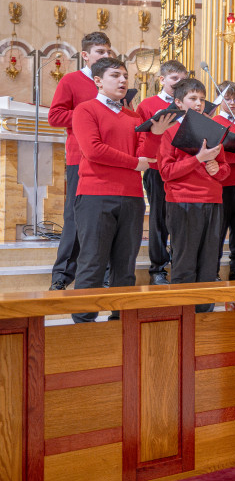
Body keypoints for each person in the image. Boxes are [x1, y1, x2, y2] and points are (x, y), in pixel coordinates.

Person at [71, 57, 175, 322]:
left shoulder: (133, 116)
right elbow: (93, 151)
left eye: (125, 76)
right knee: (92, 263)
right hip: (96, 196)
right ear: (98, 81)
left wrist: (156, 134)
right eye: (115, 76)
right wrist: (133, 163)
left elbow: (146, 157)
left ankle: (121, 323)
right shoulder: (85, 110)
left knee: (125, 267)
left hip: (131, 198)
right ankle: (83, 326)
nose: (122, 81)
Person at [48, 31, 114, 291]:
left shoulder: (113, 82)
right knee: (75, 216)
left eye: (109, 51)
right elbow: (55, 116)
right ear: (85, 55)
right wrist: (88, 114)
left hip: (110, 157)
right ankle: (62, 275)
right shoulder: (71, 80)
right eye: (100, 52)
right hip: (81, 157)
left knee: (108, 216)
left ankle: (108, 273)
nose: (106, 56)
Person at [158, 78, 229, 312]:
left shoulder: (213, 129)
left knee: (209, 264)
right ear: (179, 102)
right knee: (185, 262)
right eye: (192, 99)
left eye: (201, 99)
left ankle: (204, 319)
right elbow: (166, 172)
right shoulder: (170, 132)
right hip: (184, 202)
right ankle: (183, 316)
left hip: (213, 201)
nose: (199, 104)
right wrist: (197, 159)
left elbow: (225, 169)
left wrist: (217, 169)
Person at [136, 60, 187, 285]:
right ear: (162, 80)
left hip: (183, 167)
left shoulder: (189, 104)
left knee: (179, 218)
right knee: (159, 218)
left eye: (183, 79)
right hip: (157, 167)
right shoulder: (148, 104)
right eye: (175, 79)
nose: (179, 83)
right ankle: (157, 268)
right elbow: (139, 136)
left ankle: (180, 262)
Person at [213, 82, 235, 280]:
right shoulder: (214, 121)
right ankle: (213, 269)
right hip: (222, 184)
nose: (232, 103)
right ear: (219, 99)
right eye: (228, 98)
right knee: (219, 230)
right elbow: (216, 152)